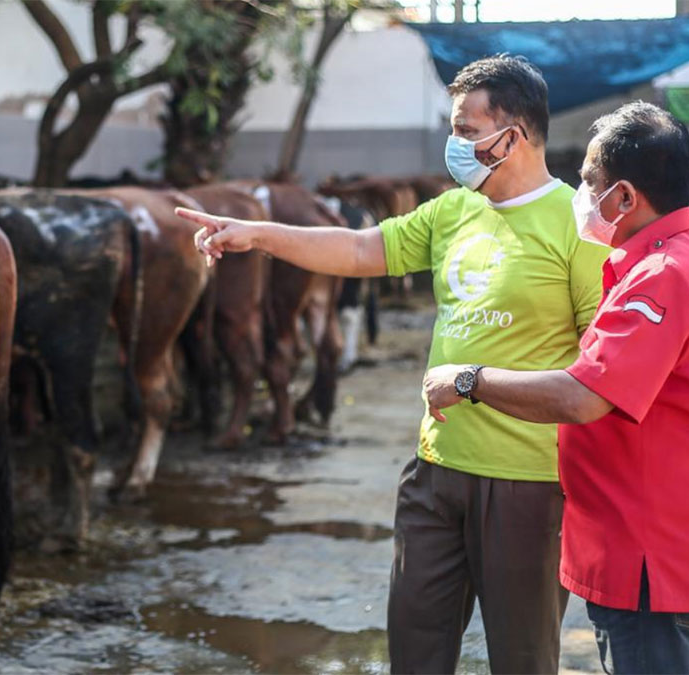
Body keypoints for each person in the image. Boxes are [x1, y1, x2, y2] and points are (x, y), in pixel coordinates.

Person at [176, 55, 609, 673]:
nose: (453, 145)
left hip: (527, 484)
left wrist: (478, 386)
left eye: (465, 131)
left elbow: (594, 372)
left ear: (511, 137)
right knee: (414, 652)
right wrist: (258, 234)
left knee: (521, 659)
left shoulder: (579, 229)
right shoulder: (454, 210)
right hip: (434, 473)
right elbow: (359, 249)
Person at [424, 101, 689, 674]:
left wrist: (469, 380)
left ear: (625, 198)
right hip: (644, 535)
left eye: (590, 181)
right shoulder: (677, 259)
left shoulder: (662, 277)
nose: (581, 194)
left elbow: (583, 396)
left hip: (646, 546)